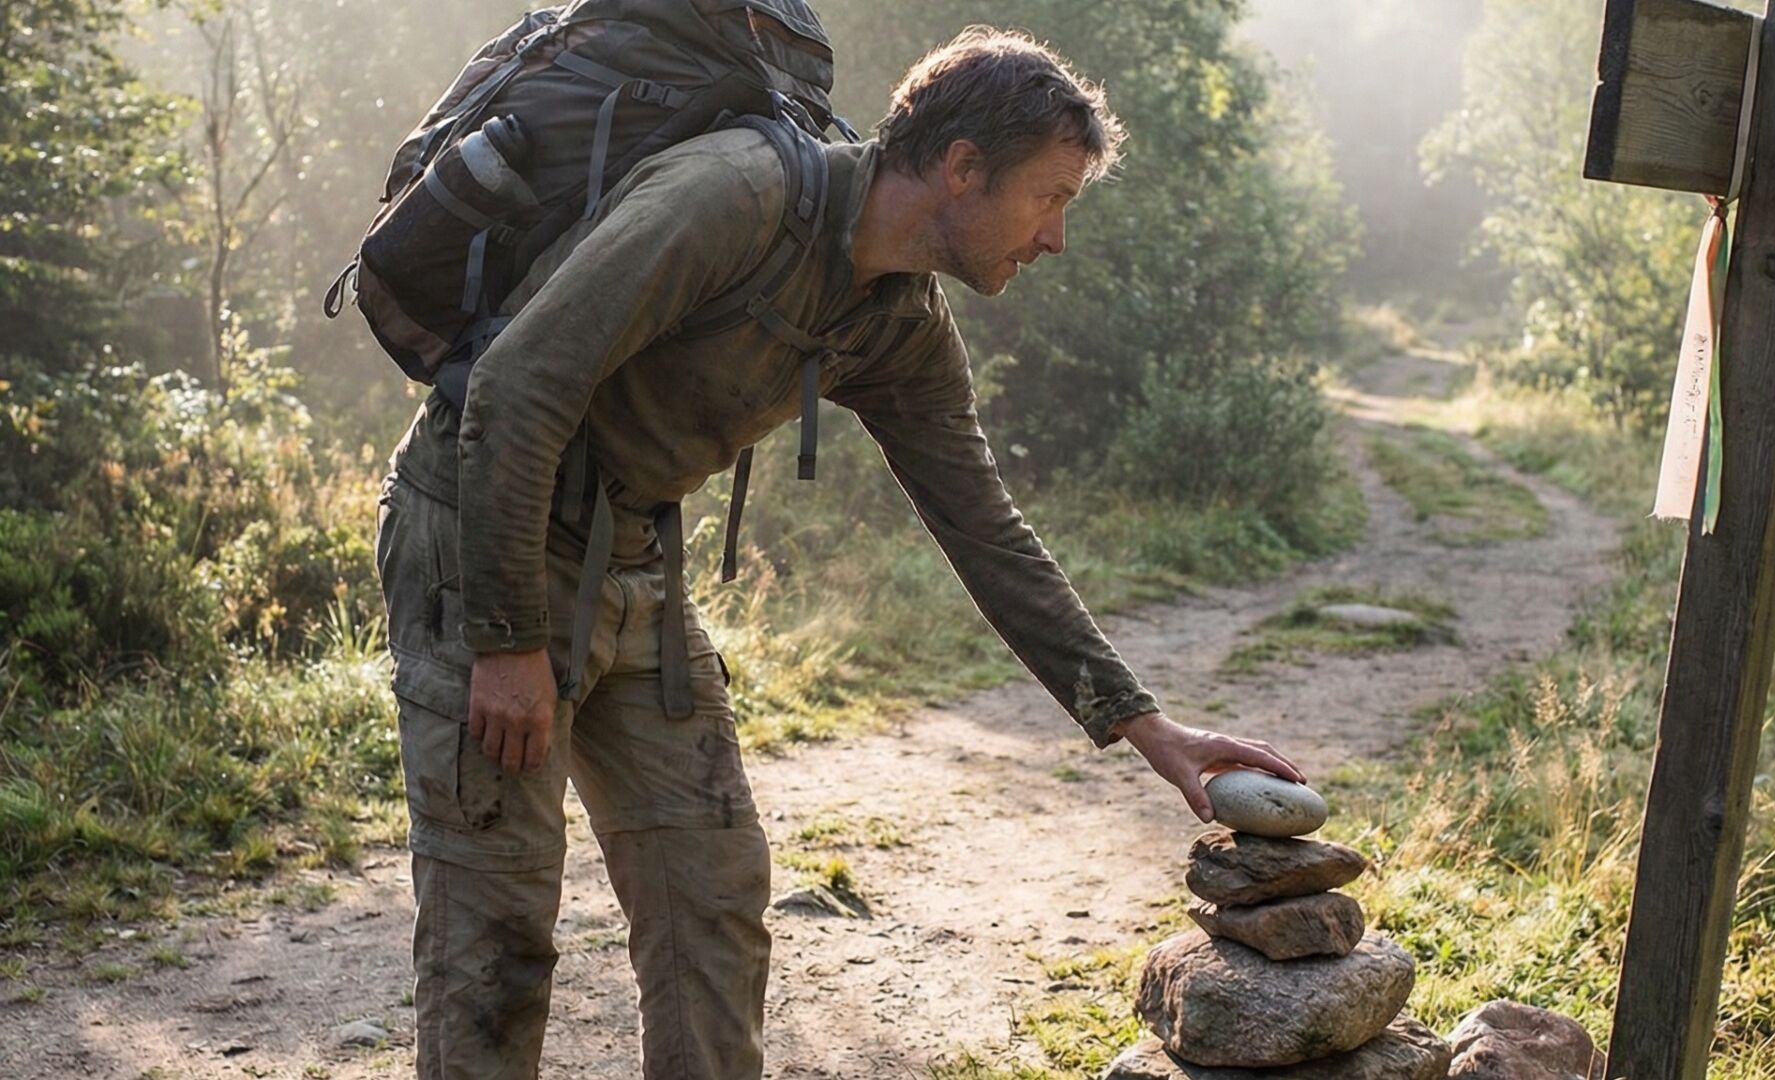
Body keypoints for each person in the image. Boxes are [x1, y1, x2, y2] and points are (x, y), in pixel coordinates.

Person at [375, 25, 1306, 1080]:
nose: (1055, 239)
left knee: (713, 899)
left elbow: (985, 527)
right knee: (495, 932)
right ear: (963, 167)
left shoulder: (899, 321)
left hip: (634, 559)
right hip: (478, 535)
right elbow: (513, 388)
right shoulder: (735, 196)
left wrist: (1143, 725)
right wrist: (506, 640)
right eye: (1050, 199)